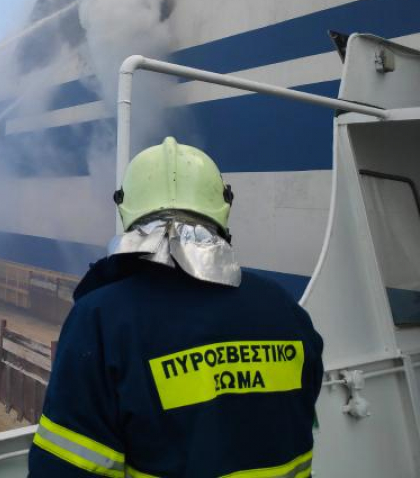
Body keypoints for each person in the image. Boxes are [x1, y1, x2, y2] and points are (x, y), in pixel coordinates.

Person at [29, 137, 324, 478]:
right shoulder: (283, 308)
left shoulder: (101, 320)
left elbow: (65, 467)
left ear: (126, 209)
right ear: (223, 207)